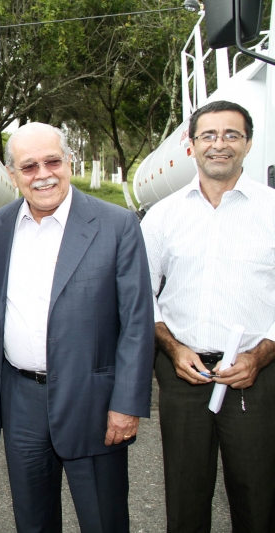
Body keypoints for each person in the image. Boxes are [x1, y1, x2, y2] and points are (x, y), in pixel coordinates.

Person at [0, 122, 154, 532]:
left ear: (69, 161)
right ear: (12, 174)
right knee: (32, 521)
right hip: (21, 402)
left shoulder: (117, 224)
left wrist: (126, 404)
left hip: (94, 402)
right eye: (29, 166)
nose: (43, 175)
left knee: (103, 520)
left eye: (52, 161)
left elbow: (137, 323)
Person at [141, 100, 275, 532]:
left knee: (258, 499)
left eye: (232, 135)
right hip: (184, 375)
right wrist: (173, 348)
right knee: (185, 500)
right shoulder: (163, 216)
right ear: (192, 145)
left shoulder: (271, 210)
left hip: (255, 375)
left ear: (248, 143)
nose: (220, 144)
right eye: (209, 135)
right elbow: (141, 294)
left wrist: (260, 355)